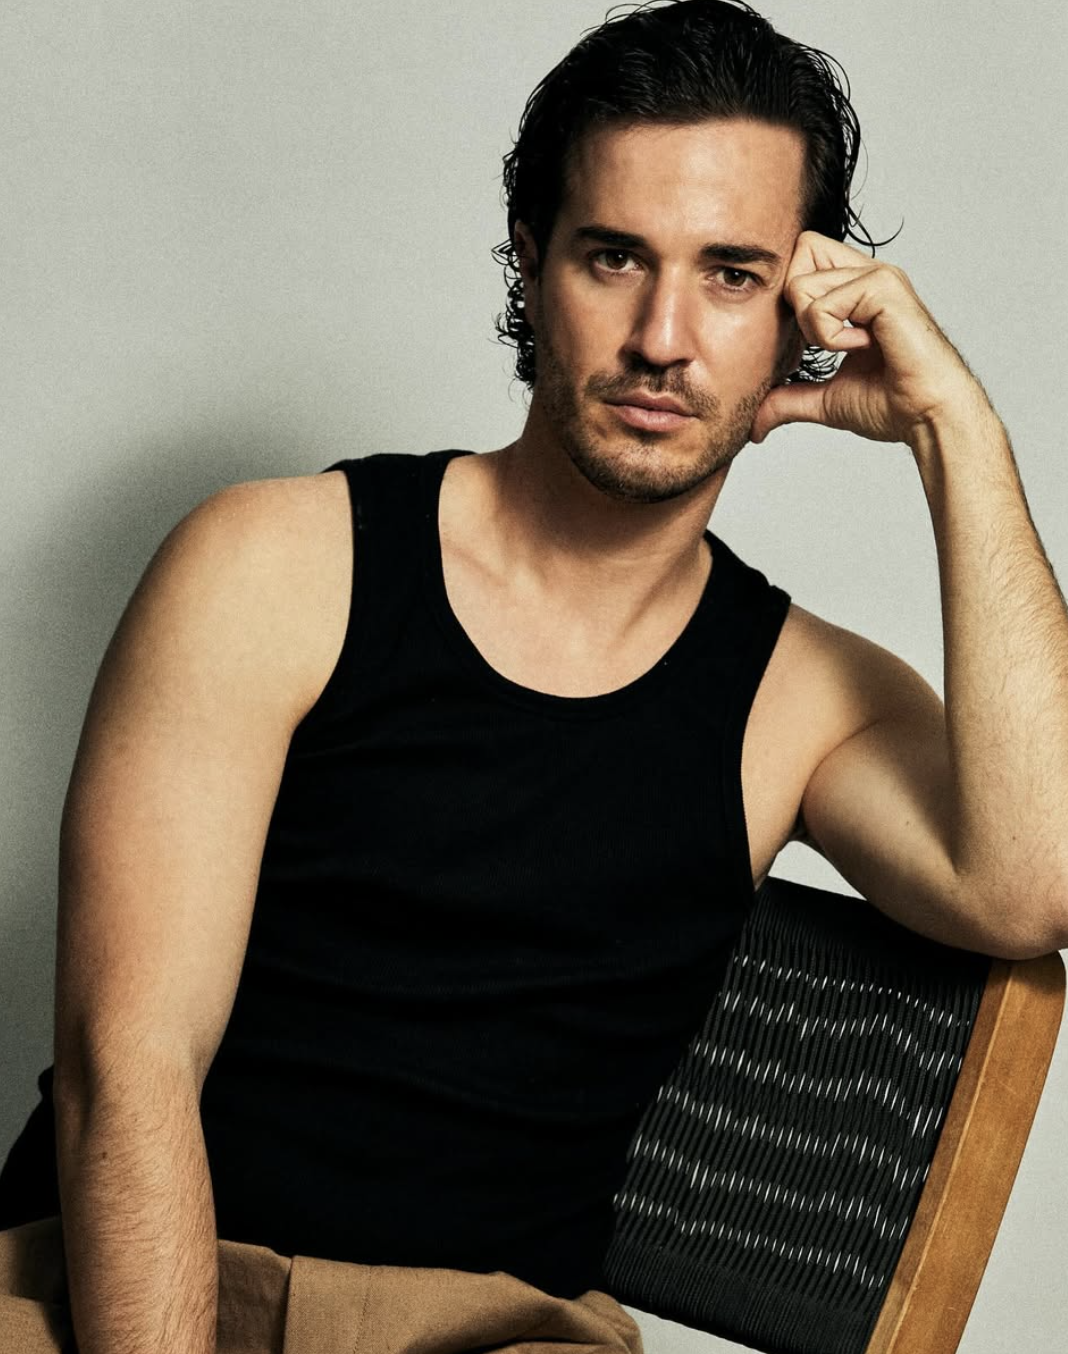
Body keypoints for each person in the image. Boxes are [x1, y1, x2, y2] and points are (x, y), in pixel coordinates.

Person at [2, 1, 1067, 1351]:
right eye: (614, 257)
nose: (663, 336)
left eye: (732, 275)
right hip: (127, 1294)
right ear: (531, 260)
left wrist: (953, 427)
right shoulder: (270, 567)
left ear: (805, 315)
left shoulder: (801, 702)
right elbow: (127, 1070)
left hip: (493, 1330)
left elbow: (1033, 881)